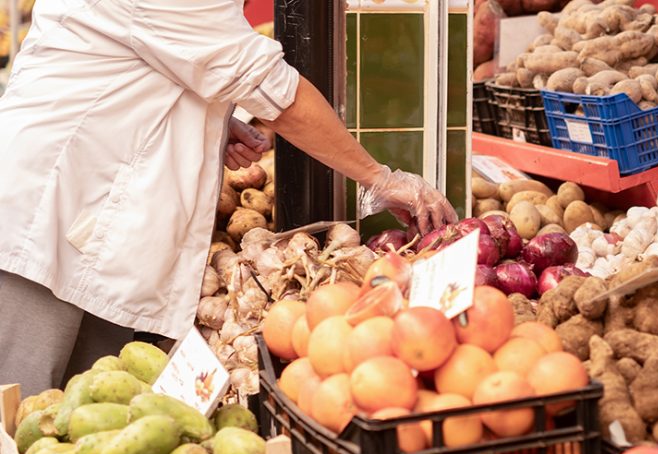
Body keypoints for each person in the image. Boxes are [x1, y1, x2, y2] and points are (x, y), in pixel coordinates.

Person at [0, 0, 457, 397]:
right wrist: (379, 176)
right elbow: (277, 92)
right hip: (49, 219)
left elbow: (134, 59)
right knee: (22, 417)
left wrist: (208, 124)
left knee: (81, 420)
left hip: (88, 216)